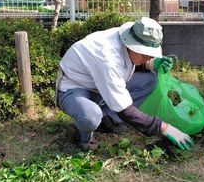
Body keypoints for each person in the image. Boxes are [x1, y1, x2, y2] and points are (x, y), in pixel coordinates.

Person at [56, 17, 194, 151]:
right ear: (131, 44)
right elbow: (126, 111)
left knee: (150, 80)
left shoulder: (128, 37)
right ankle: (83, 137)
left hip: (101, 85)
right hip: (75, 88)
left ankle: (107, 119)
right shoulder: (107, 57)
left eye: (151, 55)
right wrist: (165, 128)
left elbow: (127, 64)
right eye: (145, 54)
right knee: (90, 117)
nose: (148, 57)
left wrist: (150, 64)